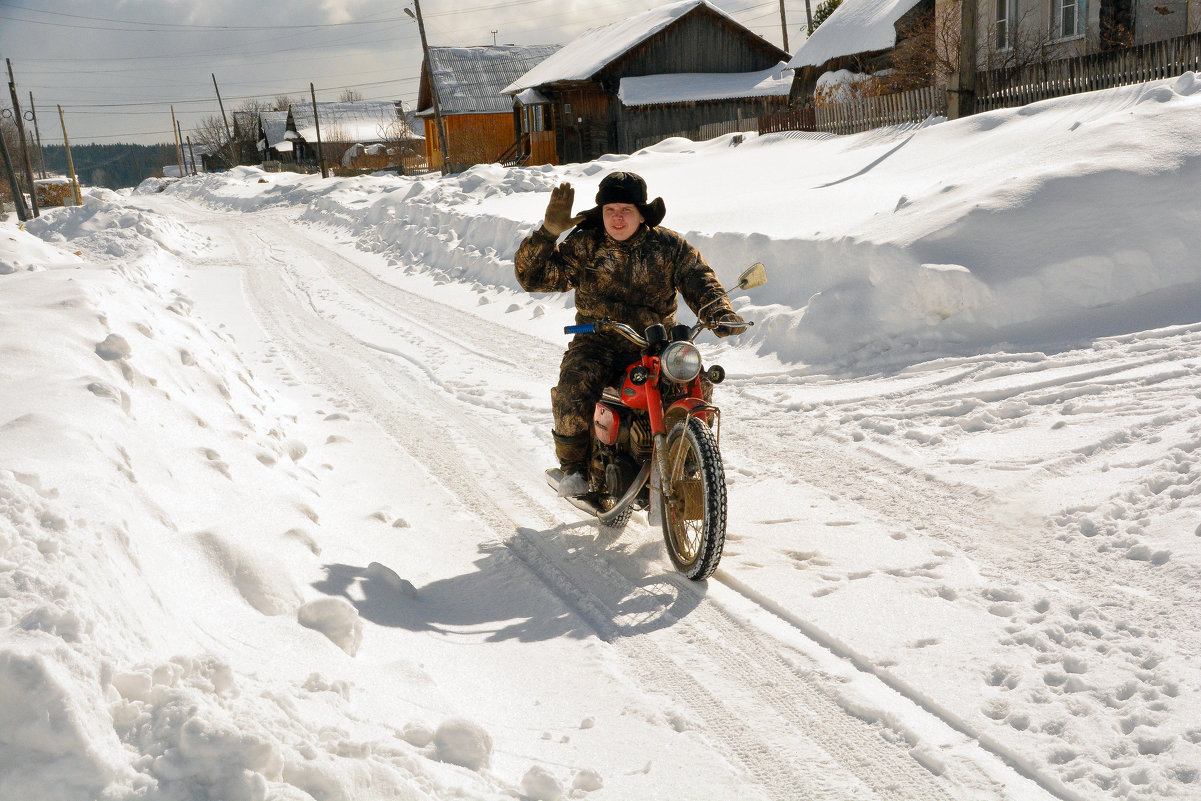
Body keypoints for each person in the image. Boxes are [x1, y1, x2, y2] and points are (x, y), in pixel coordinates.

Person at [514, 171, 746, 497]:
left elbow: (701, 281)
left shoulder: (669, 246)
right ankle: (575, 470)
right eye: (610, 210)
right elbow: (532, 277)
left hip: (656, 342)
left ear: (641, 213)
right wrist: (547, 234)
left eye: (625, 209)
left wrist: (719, 312)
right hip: (598, 340)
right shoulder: (585, 243)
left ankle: (692, 458)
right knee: (573, 383)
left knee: (696, 381)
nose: (617, 217)